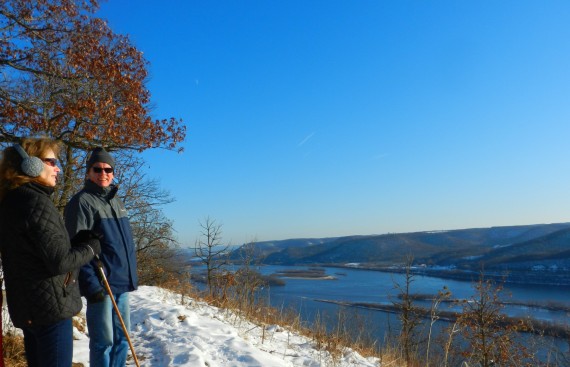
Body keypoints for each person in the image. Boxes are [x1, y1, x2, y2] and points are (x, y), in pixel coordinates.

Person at [0, 138, 101, 367]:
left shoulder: (11, 202)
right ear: (31, 165)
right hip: (51, 312)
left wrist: (75, 243)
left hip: (30, 309)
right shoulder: (36, 202)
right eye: (51, 161)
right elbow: (59, 262)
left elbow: (38, 252)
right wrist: (90, 247)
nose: (58, 169)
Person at [65, 147, 138, 367]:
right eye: (97, 169)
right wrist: (92, 285)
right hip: (101, 284)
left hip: (121, 283)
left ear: (113, 172)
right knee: (103, 342)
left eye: (108, 169)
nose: (103, 173)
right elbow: (77, 247)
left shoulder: (116, 202)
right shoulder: (82, 202)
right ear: (88, 172)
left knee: (122, 339)